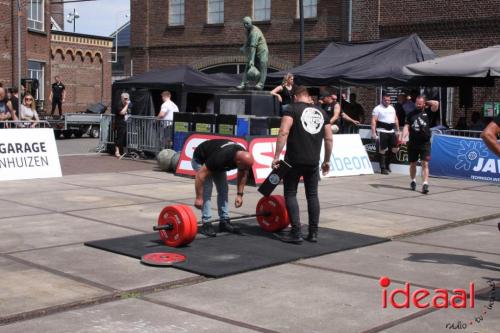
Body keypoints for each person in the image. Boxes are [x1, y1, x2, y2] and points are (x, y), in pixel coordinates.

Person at [272, 86, 333, 244]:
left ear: (295, 97)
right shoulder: (321, 112)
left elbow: (283, 131)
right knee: (312, 195)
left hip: (293, 160)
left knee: (291, 193)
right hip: (313, 161)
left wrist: (277, 156)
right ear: (308, 97)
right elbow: (329, 139)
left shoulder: (291, 109)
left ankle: (296, 232)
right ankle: (313, 233)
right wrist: (326, 160)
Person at [192, 139, 254, 237]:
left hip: (215, 157)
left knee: (223, 189)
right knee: (207, 191)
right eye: (244, 167)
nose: (245, 170)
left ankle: (224, 222)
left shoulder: (243, 156)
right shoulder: (220, 158)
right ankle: (206, 224)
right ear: (237, 162)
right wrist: (199, 198)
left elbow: (243, 174)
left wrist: (239, 195)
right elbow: (200, 176)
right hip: (201, 159)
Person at [401, 96, 439, 194]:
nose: (418, 105)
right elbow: (406, 126)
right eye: (417, 103)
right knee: (412, 163)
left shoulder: (428, 112)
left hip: (425, 143)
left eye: (420, 103)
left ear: (423, 103)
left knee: (425, 163)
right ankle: (413, 180)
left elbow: (436, 104)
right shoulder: (410, 114)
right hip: (413, 143)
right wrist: (403, 136)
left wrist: (427, 102)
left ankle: (425, 184)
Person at [371, 94, 400, 175]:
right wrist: (373, 133)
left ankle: (387, 163)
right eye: (385, 100)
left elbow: (395, 119)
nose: (387, 101)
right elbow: (373, 121)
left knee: (395, 149)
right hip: (382, 131)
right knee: (382, 150)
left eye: (388, 100)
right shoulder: (377, 108)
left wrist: (397, 130)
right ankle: (383, 168)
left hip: (391, 131)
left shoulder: (392, 108)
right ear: (382, 100)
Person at [237, 16, 269, 90]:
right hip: (254, 50)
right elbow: (248, 42)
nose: (245, 25)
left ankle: (261, 84)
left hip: (262, 51)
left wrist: (251, 59)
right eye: (244, 24)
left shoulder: (255, 32)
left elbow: (253, 46)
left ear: (251, 23)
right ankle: (244, 84)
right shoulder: (248, 31)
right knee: (247, 66)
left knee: (262, 66)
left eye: (247, 23)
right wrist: (244, 47)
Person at [114, 93, 131, 158]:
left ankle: (125, 151)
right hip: (120, 123)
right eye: (125, 98)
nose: (126, 100)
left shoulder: (129, 104)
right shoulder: (119, 104)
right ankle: (117, 151)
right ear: (122, 98)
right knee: (119, 138)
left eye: (127, 98)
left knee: (126, 137)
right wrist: (127, 104)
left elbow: (130, 111)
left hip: (126, 123)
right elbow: (122, 112)